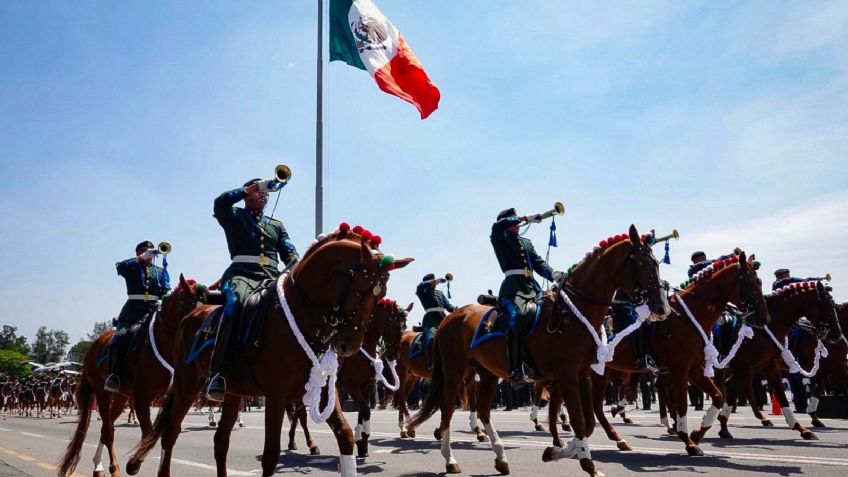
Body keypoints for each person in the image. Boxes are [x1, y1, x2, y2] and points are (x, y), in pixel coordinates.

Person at [205, 177, 299, 402]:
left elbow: (288, 250)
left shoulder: (276, 225)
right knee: (234, 305)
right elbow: (220, 203)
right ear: (247, 194)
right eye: (259, 191)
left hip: (271, 277)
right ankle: (217, 373)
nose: (264, 195)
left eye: (266, 192)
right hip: (242, 275)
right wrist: (255, 186)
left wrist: (295, 262)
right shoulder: (234, 216)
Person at [490, 208, 564, 385]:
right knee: (518, 316)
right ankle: (516, 369)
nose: (517, 225)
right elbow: (497, 226)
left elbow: (538, 263)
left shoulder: (526, 243)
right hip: (513, 288)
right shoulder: (500, 238)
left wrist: (553, 273)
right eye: (513, 222)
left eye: (517, 223)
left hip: (532, 286)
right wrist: (524, 218)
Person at [104, 241, 170, 392]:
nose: (150, 254)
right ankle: (114, 376)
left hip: (153, 311)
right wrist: (140, 258)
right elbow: (120, 267)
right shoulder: (131, 266)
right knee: (118, 338)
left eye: (151, 251)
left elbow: (165, 290)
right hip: (132, 311)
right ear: (138, 252)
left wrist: (163, 299)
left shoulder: (159, 271)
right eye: (145, 251)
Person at [415, 273, 456, 367]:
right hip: (431, 320)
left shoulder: (440, 293)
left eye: (435, 281)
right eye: (433, 281)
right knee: (431, 340)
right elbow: (419, 286)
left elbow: (449, 307)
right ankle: (432, 365)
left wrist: (457, 309)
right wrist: (434, 281)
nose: (435, 283)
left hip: (443, 319)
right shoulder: (422, 292)